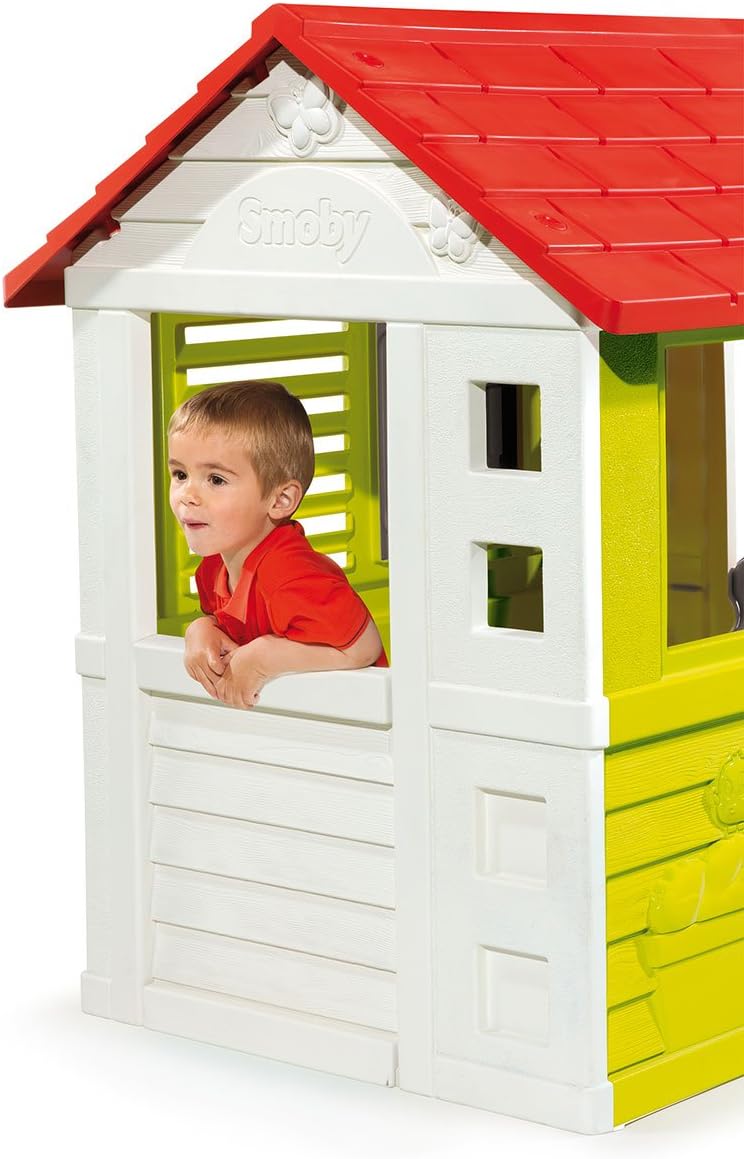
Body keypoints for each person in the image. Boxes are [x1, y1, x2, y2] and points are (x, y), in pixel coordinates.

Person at [167, 380, 388, 709]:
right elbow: (234, 627)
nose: (187, 495)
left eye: (215, 479)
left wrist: (263, 658)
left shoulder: (288, 575)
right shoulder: (213, 567)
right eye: (180, 474)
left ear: (280, 499)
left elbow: (364, 646)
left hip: (358, 719)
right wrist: (200, 629)